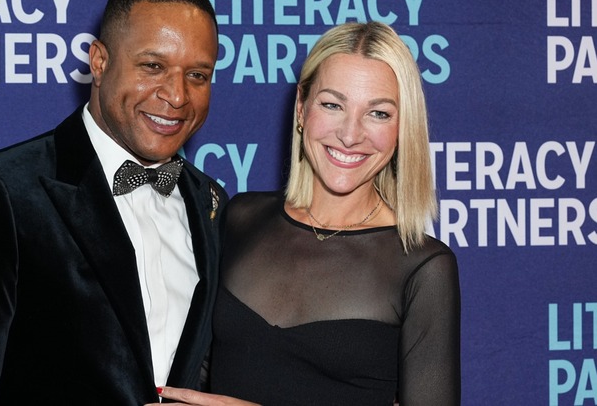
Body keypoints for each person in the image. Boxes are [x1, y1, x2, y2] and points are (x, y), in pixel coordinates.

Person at [0, 0, 228, 405]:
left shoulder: (211, 203)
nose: (176, 95)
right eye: (153, 66)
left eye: (198, 75)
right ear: (99, 62)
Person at [154, 22, 461, 405]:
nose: (350, 135)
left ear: (403, 129)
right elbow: (202, 371)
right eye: (332, 105)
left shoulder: (421, 267)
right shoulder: (242, 217)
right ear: (302, 108)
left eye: (378, 114)